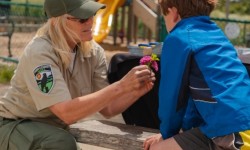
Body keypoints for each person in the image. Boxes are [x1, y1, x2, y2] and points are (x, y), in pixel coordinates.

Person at [0, 0, 155, 149]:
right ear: (57, 21)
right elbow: (67, 113)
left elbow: (108, 109)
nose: (90, 22)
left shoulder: (93, 52)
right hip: (15, 124)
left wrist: (134, 91)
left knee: (60, 141)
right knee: (62, 143)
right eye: (82, 19)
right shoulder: (40, 53)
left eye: (92, 14)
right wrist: (121, 86)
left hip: (52, 129)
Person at [143, 0, 250, 149]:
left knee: (157, 148)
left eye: (164, 16)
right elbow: (199, 95)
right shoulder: (216, 34)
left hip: (231, 131)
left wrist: (166, 135)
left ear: (173, 13)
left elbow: (172, 99)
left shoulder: (178, 38)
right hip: (241, 123)